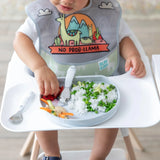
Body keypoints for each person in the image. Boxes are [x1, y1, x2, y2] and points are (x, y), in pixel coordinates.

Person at [13, 0, 146, 159]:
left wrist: (132, 55)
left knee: (111, 116)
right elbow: (20, 39)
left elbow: (123, 38)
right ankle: (51, 154)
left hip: (102, 85)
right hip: (54, 82)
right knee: (42, 114)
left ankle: (97, 157)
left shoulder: (105, 10)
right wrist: (39, 67)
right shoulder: (42, 12)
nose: (67, 1)